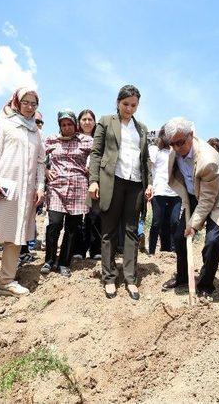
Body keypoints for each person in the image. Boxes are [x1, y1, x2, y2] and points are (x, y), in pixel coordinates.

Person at [0, 88, 45, 306]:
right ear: (16, 102)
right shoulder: (3, 124)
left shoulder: (36, 132)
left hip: (25, 192)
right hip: (3, 188)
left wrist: (40, 186)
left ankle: (6, 281)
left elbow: (41, 163)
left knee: (17, 236)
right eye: (26, 102)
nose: (30, 107)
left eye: (34, 103)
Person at [88, 85, 153, 300]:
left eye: (134, 105)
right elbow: (96, 153)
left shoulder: (141, 128)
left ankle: (130, 278)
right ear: (118, 102)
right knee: (109, 231)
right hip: (112, 181)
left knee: (131, 231)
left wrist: (149, 183)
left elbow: (145, 160)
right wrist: (94, 180)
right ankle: (108, 277)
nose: (129, 108)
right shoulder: (106, 122)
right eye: (126, 104)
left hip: (135, 184)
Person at [161, 118, 219, 298]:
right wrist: (189, 224)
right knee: (179, 237)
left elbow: (208, 199)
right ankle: (183, 277)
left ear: (191, 135)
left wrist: (194, 224)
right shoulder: (174, 152)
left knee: (213, 242)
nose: (177, 148)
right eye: (173, 144)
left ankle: (206, 283)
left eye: (180, 143)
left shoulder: (208, 160)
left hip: (216, 198)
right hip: (194, 196)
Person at [41, 110, 93, 276]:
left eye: (70, 124)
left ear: (75, 125)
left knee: (72, 227)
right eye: (63, 125)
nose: (67, 127)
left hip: (78, 187)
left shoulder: (85, 140)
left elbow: (99, 154)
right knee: (54, 223)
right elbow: (37, 157)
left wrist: (92, 170)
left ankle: (64, 262)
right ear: (59, 126)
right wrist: (45, 170)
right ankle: (49, 260)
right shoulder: (51, 140)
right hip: (57, 186)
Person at [147, 127, 181, 255]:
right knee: (157, 222)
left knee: (174, 221)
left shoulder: (176, 152)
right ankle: (151, 251)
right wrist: (149, 185)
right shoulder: (155, 150)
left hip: (175, 192)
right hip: (159, 190)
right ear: (162, 135)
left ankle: (175, 250)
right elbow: (149, 167)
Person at [74, 109, 102, 260]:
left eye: (90, 119)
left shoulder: (99, 139)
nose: (87, 122)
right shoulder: (74, 138)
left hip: (95, 182)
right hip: (77, 181)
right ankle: (78, 249)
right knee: (77, 217)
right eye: (84, 119)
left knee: (94, 217)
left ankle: (95, 249)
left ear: (94, 122)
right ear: (79, 122)